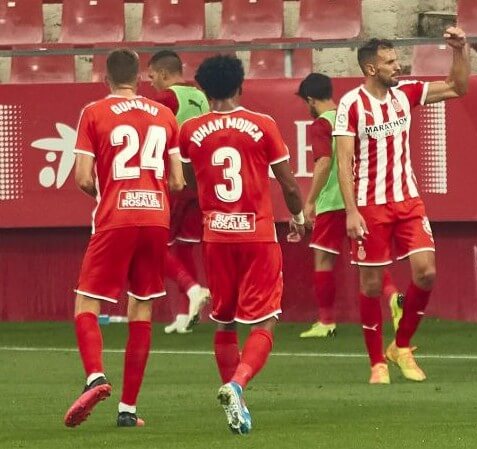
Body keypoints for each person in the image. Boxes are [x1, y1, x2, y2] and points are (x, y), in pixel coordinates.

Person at [334, 28, 469, 384]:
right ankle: (377, 361)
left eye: (397, 60)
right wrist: (350, 210)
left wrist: (459, 51)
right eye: (390, 62)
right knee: (372, 286)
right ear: (370, 69)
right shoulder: (351, 105)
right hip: (369, 206)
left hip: (408, 200)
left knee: (426, 272)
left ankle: (402, 346)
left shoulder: (405, 94)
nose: (398, 66)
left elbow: (458, 87)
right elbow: (343, 162)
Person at [179, 55, 305, 434]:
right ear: (240, 85)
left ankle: (237, 404)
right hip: (257, 236)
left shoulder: (189, 130)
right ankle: (237, 384)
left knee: (224, 319)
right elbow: (289, 183)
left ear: (202, 89)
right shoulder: (262, 124)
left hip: (216, 236)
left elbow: (189, 181)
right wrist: (298, 219)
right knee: (265, 319)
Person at [64, 49, 184, 428]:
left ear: (106, 79)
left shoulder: (94, 112)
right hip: (156, 217)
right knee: (142, 306)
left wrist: (109, 193)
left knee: (87, 300)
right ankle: (129, 411)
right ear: (140, 78)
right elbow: (178, 180)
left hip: (116, 216)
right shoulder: (165, 115)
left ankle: (96, 376)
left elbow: (83, 176)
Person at [296, 73, 404, 339]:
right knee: (370, 258)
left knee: (323, 258)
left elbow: (323, 163)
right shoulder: (351, 113)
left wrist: (309, 201)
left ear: (310, 100)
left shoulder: (322, 124)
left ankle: (326, 321)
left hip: (333, 201)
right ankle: (392, 298)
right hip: (360, 198)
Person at [147, 50, 211, 334]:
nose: (150, 83)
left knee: (152, 247)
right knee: (184, 246)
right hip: (199, 180)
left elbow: (143, 125)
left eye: (151, 77)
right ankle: (187, 313)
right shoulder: (201, 97)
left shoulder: (166, 98)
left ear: (163, 74)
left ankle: (192, 289)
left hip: (174, 179)